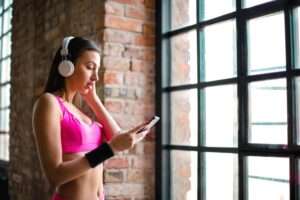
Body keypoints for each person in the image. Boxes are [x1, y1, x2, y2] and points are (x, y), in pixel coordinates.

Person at [32, 36, 150, 200]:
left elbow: (116, 138)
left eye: (97, 70)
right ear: (68, 66)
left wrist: (93, 100)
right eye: (89, 67)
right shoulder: (49, 103)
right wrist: (110, 149)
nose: (96, 77)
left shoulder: (77, 110)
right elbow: (55, 175)